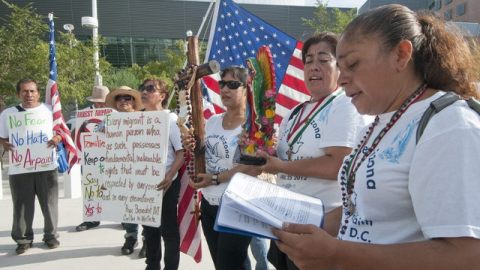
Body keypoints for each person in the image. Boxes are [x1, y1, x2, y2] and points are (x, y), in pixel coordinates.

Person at [273, 4, 480, 269]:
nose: (343, 78)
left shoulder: (449, 126)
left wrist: (337, 254)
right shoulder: (381, 120)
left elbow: (467, 256)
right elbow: (358, 212)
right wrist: (304, 225)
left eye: (352, 64)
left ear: (401, 55)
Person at [259, 32, 371, 270]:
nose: (314, 67)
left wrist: (280, 166)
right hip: (287, 222)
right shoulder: (295, 112)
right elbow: (282, 156)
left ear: (339, 66)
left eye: (323, 59)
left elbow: (337, 165)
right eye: (308, 60)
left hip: (322, 227)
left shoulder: (344, 105)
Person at [185, 66, 261, 270]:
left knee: (229, 265)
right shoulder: (211, 122)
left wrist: (216, 178)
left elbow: (253, 168)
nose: (225, 89)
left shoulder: (254, 126)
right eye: (222, 83)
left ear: (247, 89)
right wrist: (192, 147)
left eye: (233, 84)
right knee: (222, 264)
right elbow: (204, 156)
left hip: (237, 205)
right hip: (210, 204)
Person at [0, 78, 63, 254]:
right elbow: (2, 136)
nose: (29, 95)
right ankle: (23, 240)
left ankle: (51, 237)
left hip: (46, 166)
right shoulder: (9, 114)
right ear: (18, 94)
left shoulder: (50, 111)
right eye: (25, 91)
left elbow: (61, 132)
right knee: (21, 205)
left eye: (32, 91)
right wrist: (4, 143)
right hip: (21, 167)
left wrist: (57, 139)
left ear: (38, 93)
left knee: (49, 204)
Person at [139, 79, 184, 270]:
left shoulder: (170, 119)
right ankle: (152, 265)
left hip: (166, 183)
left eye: (150, 89)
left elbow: (181, 153)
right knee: (149, 230)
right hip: (143, 183)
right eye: (142, 88)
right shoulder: (136, 119)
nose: (144, 92)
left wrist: (169, 175)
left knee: (168, 231)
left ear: (162, 96)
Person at [105, 86, 146, 256]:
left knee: (145, 206)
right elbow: (94, 140)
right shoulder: (108, 120)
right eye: (119, 98)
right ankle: (130, 236)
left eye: (127, 98)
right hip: (121, 172)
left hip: (144, 171)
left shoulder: (145, 119)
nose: (123, 101)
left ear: (134, 101)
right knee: (127, 207)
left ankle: (148, 239)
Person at [75, 84, 110, 232]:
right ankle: (91, 218)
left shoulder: (115, 113)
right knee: (91, 188)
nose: (100, 104)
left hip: (111, 157)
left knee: (116, 188)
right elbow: (77, 135)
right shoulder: (82, 115)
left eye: (103, 101)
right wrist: (77, 154)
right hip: (90, 158)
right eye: (98, 101)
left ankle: (123, 219)